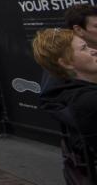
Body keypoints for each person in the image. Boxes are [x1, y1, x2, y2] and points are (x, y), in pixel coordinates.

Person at [32, 28, 97, 183]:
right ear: (66, 63)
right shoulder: (87, 101)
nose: (93, 50)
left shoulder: (72, 91)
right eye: (83, 48)